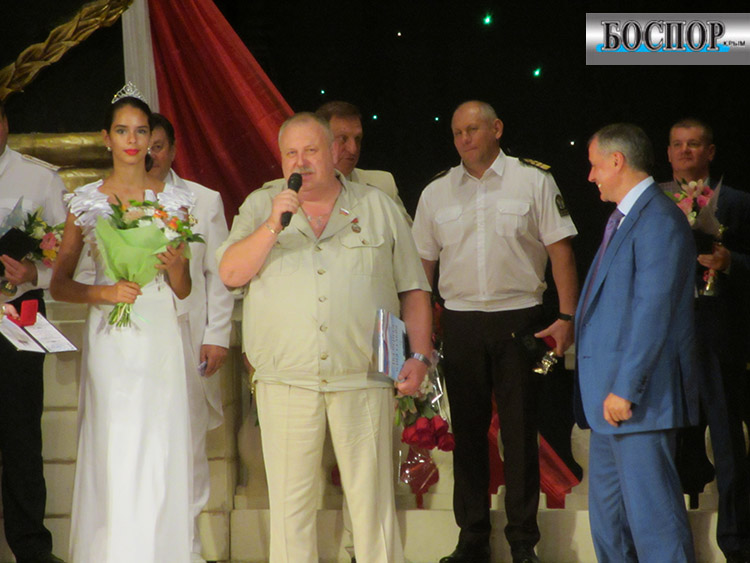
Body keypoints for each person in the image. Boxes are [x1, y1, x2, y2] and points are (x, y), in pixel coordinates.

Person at [217, 112, 432, 563]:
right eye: (291, 153)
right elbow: (230, 273)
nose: (301, 162)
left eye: (311, 151)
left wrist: (419, 356)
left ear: (333, 152)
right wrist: (273, 224)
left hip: (365, 376)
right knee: (291, 511)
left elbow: (413, 289)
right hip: (286, 379)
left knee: (373, 508)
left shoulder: (378, 206)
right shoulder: (260, 206)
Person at [412, 100, 579, 563]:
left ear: (497, 128)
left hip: (519, 318)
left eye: (472, 129)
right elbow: (420, 270)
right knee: (467, 435)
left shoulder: (533, 180)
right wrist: (421, 335)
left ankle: (523, 542)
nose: (464, 139)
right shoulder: (437, 191)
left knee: (521, 433)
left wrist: (567, 318)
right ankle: (472, 539)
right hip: (460, 321)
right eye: (457, 132)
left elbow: (561, 252)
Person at [50, 85, 195, 563]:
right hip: (112, 334)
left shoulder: (174, 200)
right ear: (106, 137)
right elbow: (60, 284)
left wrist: (176, 265)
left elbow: (184, 288)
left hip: (159, 329)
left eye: (141, 131)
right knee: (115, 444)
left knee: (159, 445)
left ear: (151, 138)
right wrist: (105, 293)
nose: (132, 141)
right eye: (122, 131)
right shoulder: (85, 201)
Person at [577, 123, 698, 562]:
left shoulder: (658, 220)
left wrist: (626, 387)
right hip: (609, 403)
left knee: (654, 524)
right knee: (609, 526)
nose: (591, 176)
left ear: (617, 161)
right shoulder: (625, 219)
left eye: (595, 166)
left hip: (638, 401)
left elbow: (653, 311)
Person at [661, 118, 750, 563]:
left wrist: (730, 261)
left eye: (693, 144)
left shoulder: (736, 202)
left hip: (720, 338)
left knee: (728, 443)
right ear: (668, 152)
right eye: (677, 144)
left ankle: (736, 542)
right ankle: (669, 542)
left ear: (710, 151)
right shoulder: (654, 201)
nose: (685, 151)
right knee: (669, 441)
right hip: (668, 339)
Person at [147, 112, 234, 563]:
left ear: (174, 149)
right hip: (136, 337)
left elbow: (219, 275)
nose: (150, 154)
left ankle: (188, 549)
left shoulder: (203, 200)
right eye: (142, 145)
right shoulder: (112, 201)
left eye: (158, 145)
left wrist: (217, 334)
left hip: (186, 334)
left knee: (187, 444)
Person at [0, 97, 67, 563]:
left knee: (22, 436)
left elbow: (69, 255)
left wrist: (33, 274)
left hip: (18, 314)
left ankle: (31, 549)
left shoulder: (39, 178)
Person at [316, 100, 411, 221]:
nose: (353, 149)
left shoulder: (383, 186)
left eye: (357, 139)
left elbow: (407, 232)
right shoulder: (295, 191)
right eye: (343, 139)